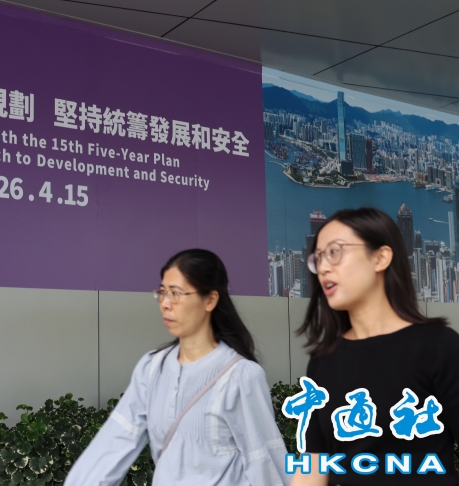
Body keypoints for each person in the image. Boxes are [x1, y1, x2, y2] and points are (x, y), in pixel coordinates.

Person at [65, 249, 290, 485]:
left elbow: (264, 460)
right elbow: (114, 442)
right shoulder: (152, 369)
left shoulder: (240, 375)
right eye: (162, 292)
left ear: (210, 300)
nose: (165, 303)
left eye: (176, 293)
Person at [290, 207, 459, 486]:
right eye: (317, 258)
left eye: (334, 252)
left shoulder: (438, 346)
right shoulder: (324, 360)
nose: (324, 268)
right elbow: (314, 463)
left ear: (380, 257)